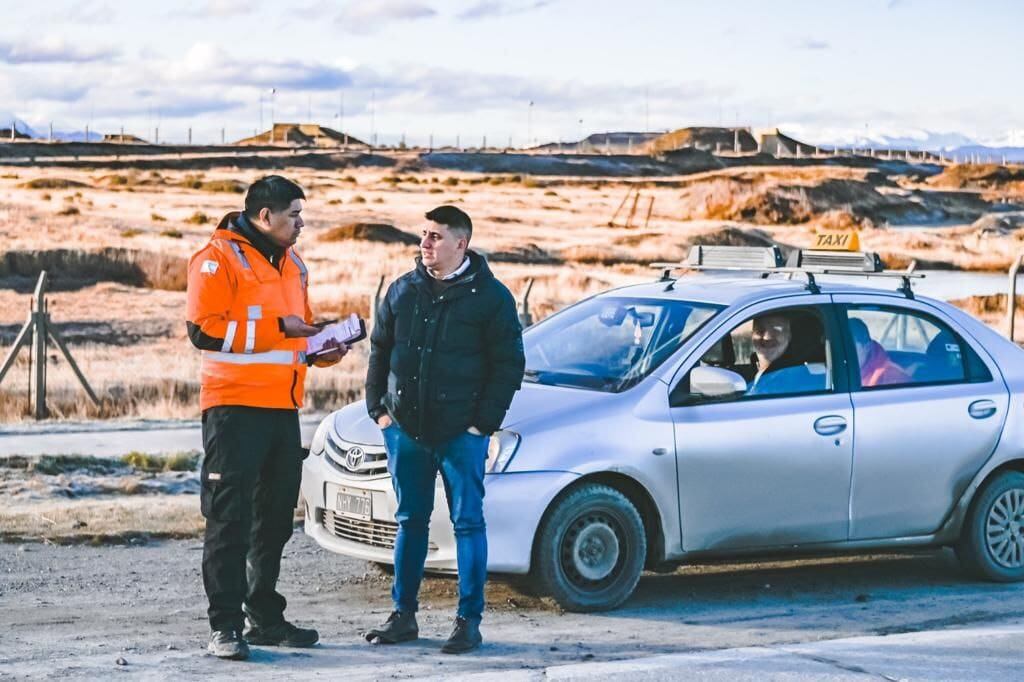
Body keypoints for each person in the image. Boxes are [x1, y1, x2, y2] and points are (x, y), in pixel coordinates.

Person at [186, 175, 348, 661]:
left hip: (283, 408)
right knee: (228, 520)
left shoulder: (294, 263)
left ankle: (266, 619)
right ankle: (225, 628)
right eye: (294, 215)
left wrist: (319, 349)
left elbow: (293, 336)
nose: (301, 223)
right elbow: (205, 332)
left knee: (274, 521)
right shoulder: (216, 259)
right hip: (233, 409)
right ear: (264, 217)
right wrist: (282, 329)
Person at [364, 205, 525, 654]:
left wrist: (482, 425)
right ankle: (403, 616)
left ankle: (467, 622)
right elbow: (379, 350)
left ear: (461, 244)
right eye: (424, 234)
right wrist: (378, 410)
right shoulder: (403, 290)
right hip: (406, 431)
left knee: (468, 524)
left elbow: (508, 365)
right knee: (409, 522)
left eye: (436, 236)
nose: (426, 243)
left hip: (461, 435)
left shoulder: (491, 298)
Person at [747, 312, 824, 396]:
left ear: (789, 335)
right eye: (759, 330)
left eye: (776, 330)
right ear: (752, 335)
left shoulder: (794, 377)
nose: (767, 337)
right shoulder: (755, 370)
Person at [848, 318, 910, 387]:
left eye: (849, 348)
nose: (844, 355)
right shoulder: (843, 373)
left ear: (867, 347)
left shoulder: (890, 377)